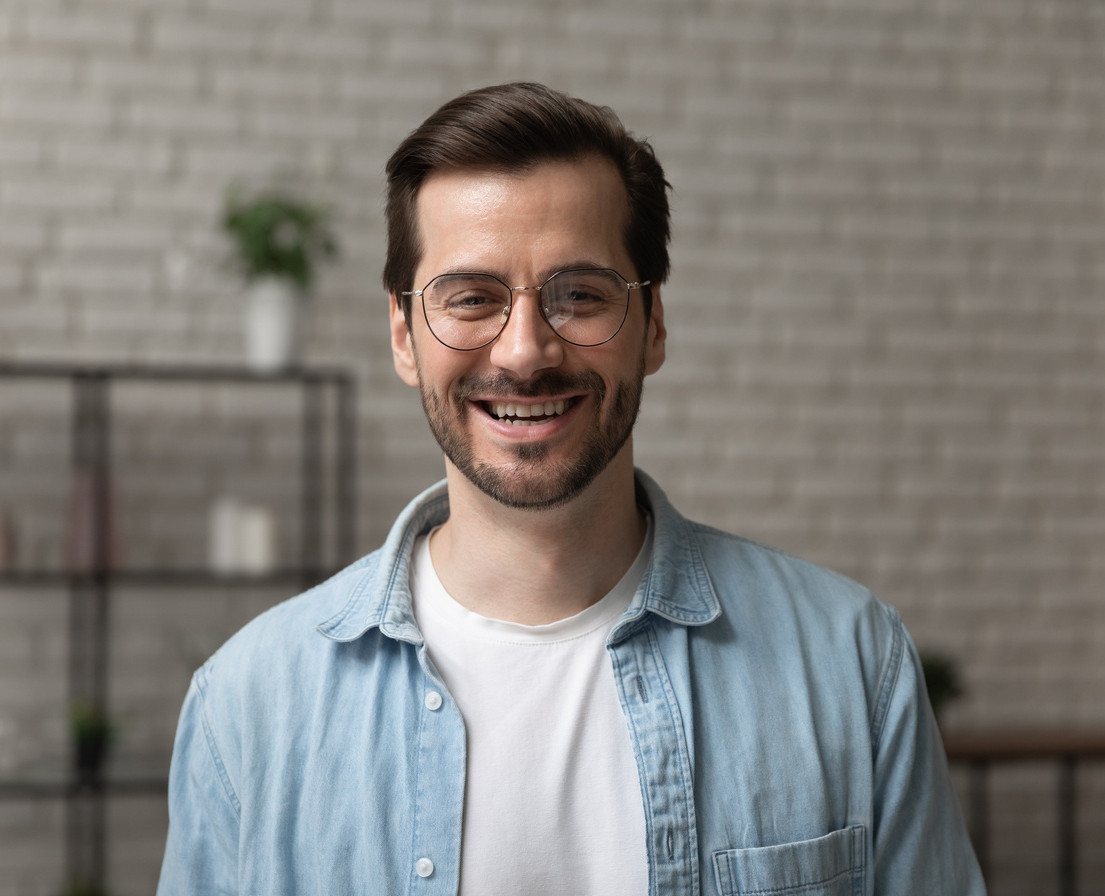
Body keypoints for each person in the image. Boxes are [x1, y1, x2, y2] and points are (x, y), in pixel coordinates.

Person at [157, 82, 985, 895]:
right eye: (471, 299)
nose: (524, 351)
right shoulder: (248, 706)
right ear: (404, 335)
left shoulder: (849, 664)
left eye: (580, 296)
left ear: (654, 323)